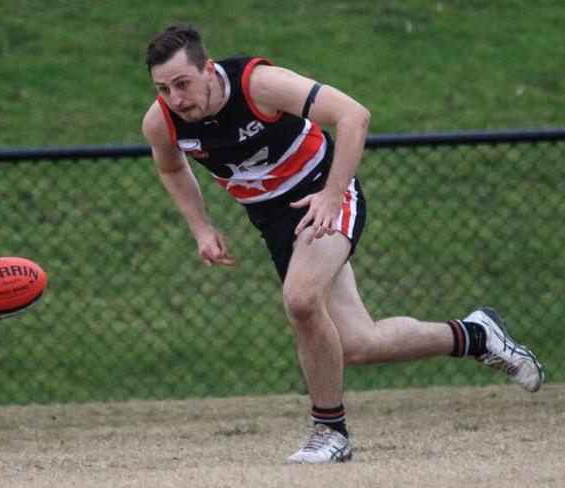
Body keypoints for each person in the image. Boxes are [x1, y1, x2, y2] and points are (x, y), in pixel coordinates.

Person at [141, 24, 544, 464]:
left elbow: (355, 114)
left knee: (300, 299)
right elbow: (171, 168)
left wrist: (333, 195)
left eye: (183, 83)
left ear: (208, 68)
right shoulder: (162, 120)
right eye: (164, 88)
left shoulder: (259, 85)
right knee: (357, 344)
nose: (176, 98)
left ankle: (330, 432)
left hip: (324, 192)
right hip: (275, 221)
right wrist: (201, 227)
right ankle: (476, 335)